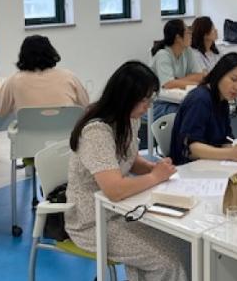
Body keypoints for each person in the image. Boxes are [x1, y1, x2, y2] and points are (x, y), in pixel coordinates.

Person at [65, 61, 190, 281]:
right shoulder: (96, 131)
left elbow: (129, 159)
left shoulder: (128, 118)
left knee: (183, 242)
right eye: (144, 100)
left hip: (121, 210)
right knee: (166, 261)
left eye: (150, 99)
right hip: (93, 221)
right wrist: (155, 176)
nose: (148, 107)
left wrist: (153, 168)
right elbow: (114, 190)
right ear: (125, 97)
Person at [170, 53, 237, 165]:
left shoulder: (222, 99)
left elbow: (225, 139)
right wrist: (231, 153)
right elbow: (192, 149)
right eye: (234, 79)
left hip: (209, 164)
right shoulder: (200, 100)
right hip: (188, 167)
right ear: (220, 74)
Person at [0, 35, 89, 117]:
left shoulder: (14, 81)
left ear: (23, 56)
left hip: (28, 133)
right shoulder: (69, 77)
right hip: (66, 133)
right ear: (51, 53)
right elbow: (85, 105)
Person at [149, 19, 204, 120]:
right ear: (178, 37)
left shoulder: (187, 51)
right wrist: (193, 82)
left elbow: (199, 76)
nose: (191, 34)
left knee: (200, 108)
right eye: (188, 31)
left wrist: (177, 81)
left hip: (177, 100)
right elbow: (168, 84)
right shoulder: (163, 55)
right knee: (191, 112)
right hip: (157, 104)